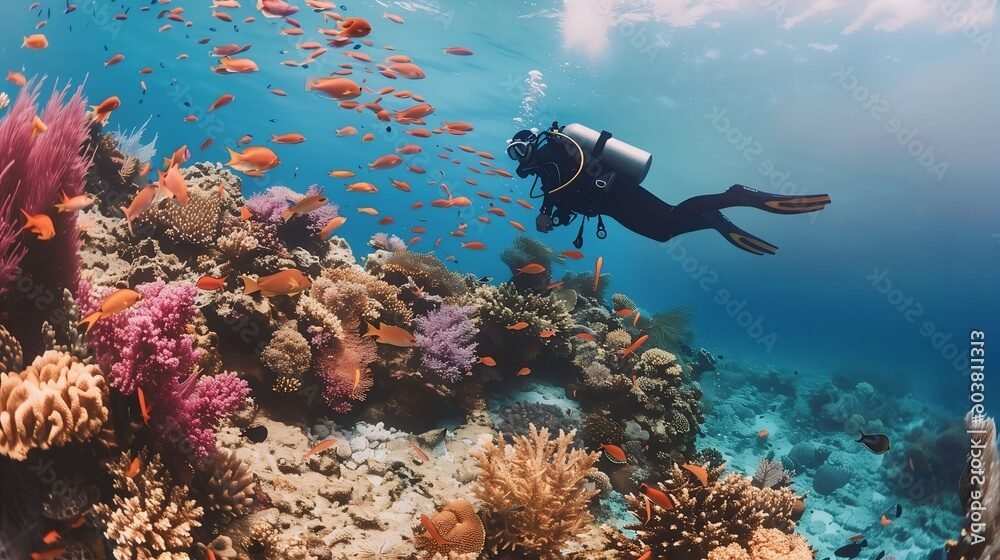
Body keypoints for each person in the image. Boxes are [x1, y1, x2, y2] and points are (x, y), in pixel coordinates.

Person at [506, 123, 831, 255]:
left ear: (531, 144)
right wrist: (548, 212)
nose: (519, 160)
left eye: (519, 151)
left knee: (671, 218)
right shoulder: (548, 164)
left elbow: (556, 189)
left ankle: (737, 196)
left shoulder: (548, 156)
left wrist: (546, 213)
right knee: (664, 232)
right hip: (610, 202)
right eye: (514, 155)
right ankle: (714, 219)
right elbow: (559, 190)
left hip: (615, 192)